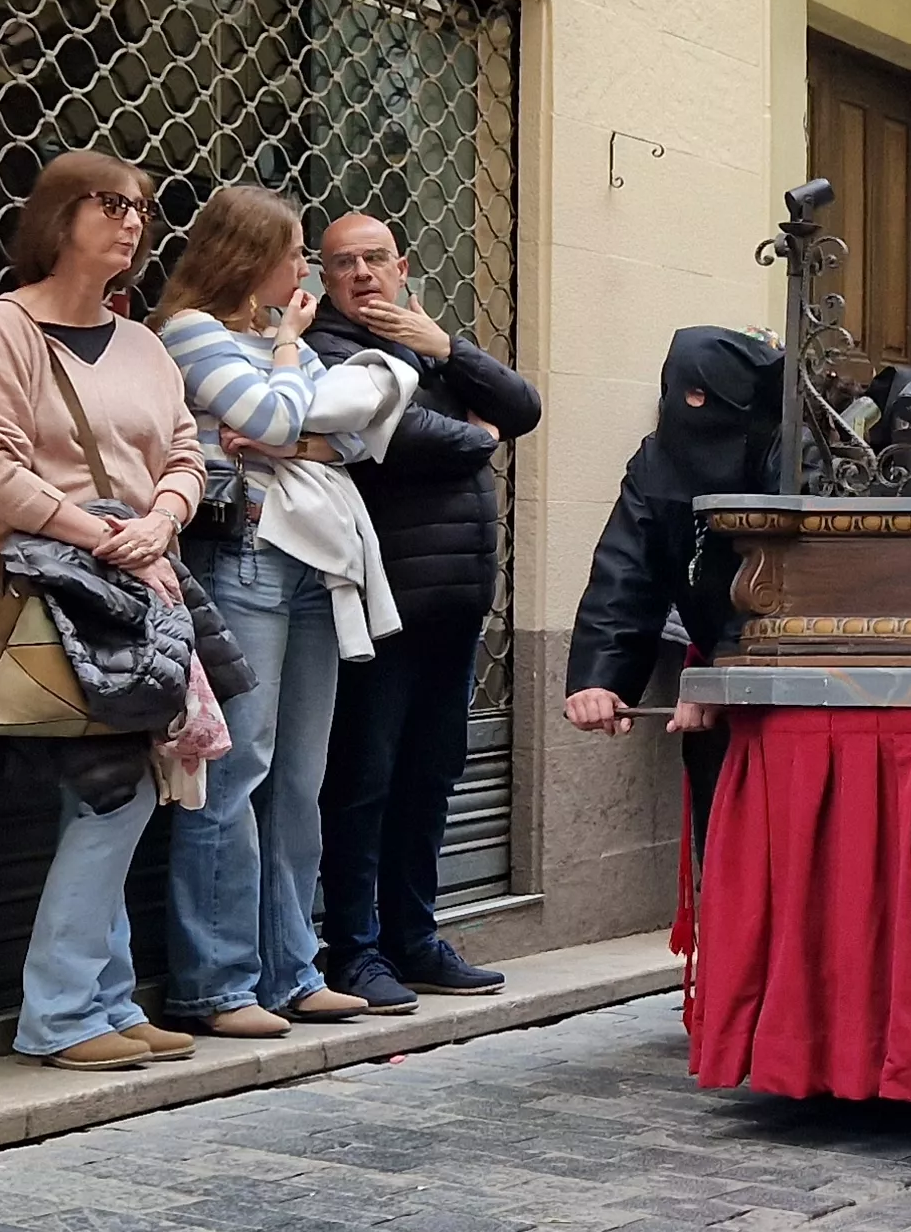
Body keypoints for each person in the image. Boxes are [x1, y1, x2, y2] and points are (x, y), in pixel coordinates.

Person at [0, 150, 213, 1074]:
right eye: (110, 204)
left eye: (142, 208)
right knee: (116, 789)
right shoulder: (6, 327)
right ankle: (59, 1014)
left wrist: (162, 520)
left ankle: (106, 1000)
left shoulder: (144, 345)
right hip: (54, 592)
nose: (132, 222)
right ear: (59, 216)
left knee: (125, 782)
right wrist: (99, 534)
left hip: (139, 590)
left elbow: (185, 454)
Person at [154, 186, 414, 1038]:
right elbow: (274, 413)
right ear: (249, 255)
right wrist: (293, 360)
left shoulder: (268, 340)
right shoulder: (191, 331)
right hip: (242, 555)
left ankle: (292, 971)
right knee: (236, 771)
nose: (303, 269)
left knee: (300, 778)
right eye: (294, 251)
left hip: (310, 567)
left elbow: (356, 436)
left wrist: (284, 409)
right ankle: (216, 985)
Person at [309, 213, 538, 1011]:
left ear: (402, 266)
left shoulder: (429, 343)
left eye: (375, 259)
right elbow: (396, 434)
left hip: (455, 606)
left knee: (431, 778)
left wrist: (449, 348)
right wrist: (476, 438)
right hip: (383, 607)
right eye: (344, 264)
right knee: (364, 781)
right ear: (325, 278)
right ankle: (354, 951)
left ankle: (415, 939)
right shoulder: (327, 348)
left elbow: (522, 406)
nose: (362, 274)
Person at [561, 329, 786, 836]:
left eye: (705, 397)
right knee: (722, 847)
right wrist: (600, 678)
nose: (692, 409)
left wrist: (726, 677)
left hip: (793, 691)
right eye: (683, 396)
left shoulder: (788, 454)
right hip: (713, 689)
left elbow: (796, 575)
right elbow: (626, 571)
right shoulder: (658, 459)